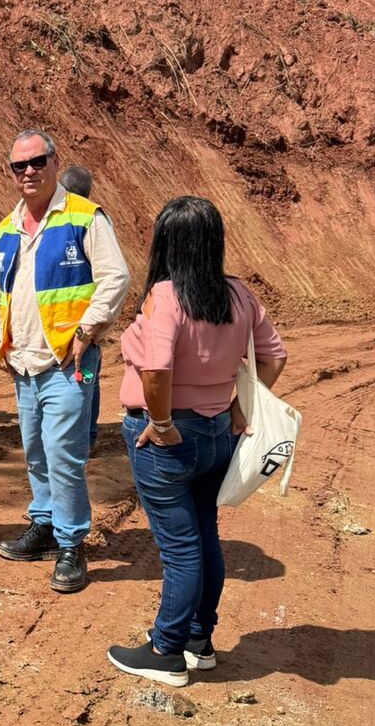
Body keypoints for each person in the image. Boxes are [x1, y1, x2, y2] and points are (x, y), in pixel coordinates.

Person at [107, 196, 287, 687]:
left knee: (181, 548)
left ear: (168, 242)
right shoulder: (238, 294)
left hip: (170, 436)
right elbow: (274, 357)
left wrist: (162, 424)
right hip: (216, 434)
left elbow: (157, 366)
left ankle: (165, 650)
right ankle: (198, 640)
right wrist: (237, 408)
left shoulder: (166, 295)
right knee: (205, 537)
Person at [0, 131, 130, 593]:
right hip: (23, 364)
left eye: (37, 161)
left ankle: (71, 544)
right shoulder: (6, 229)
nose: (29, 171)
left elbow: (116, 277)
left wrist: (87, 330)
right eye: (19, 165)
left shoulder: (85, 218)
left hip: (70, 363)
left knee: (64, 456)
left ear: (53, 161)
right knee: (36, 453)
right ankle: (45, 525)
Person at [59, 166, 101, 450]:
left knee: (74, 381)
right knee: (88, 379)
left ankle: (76, 441)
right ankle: (88, 437)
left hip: (60, 324)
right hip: (87, 324)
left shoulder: (55, 220)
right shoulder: (94, 220)